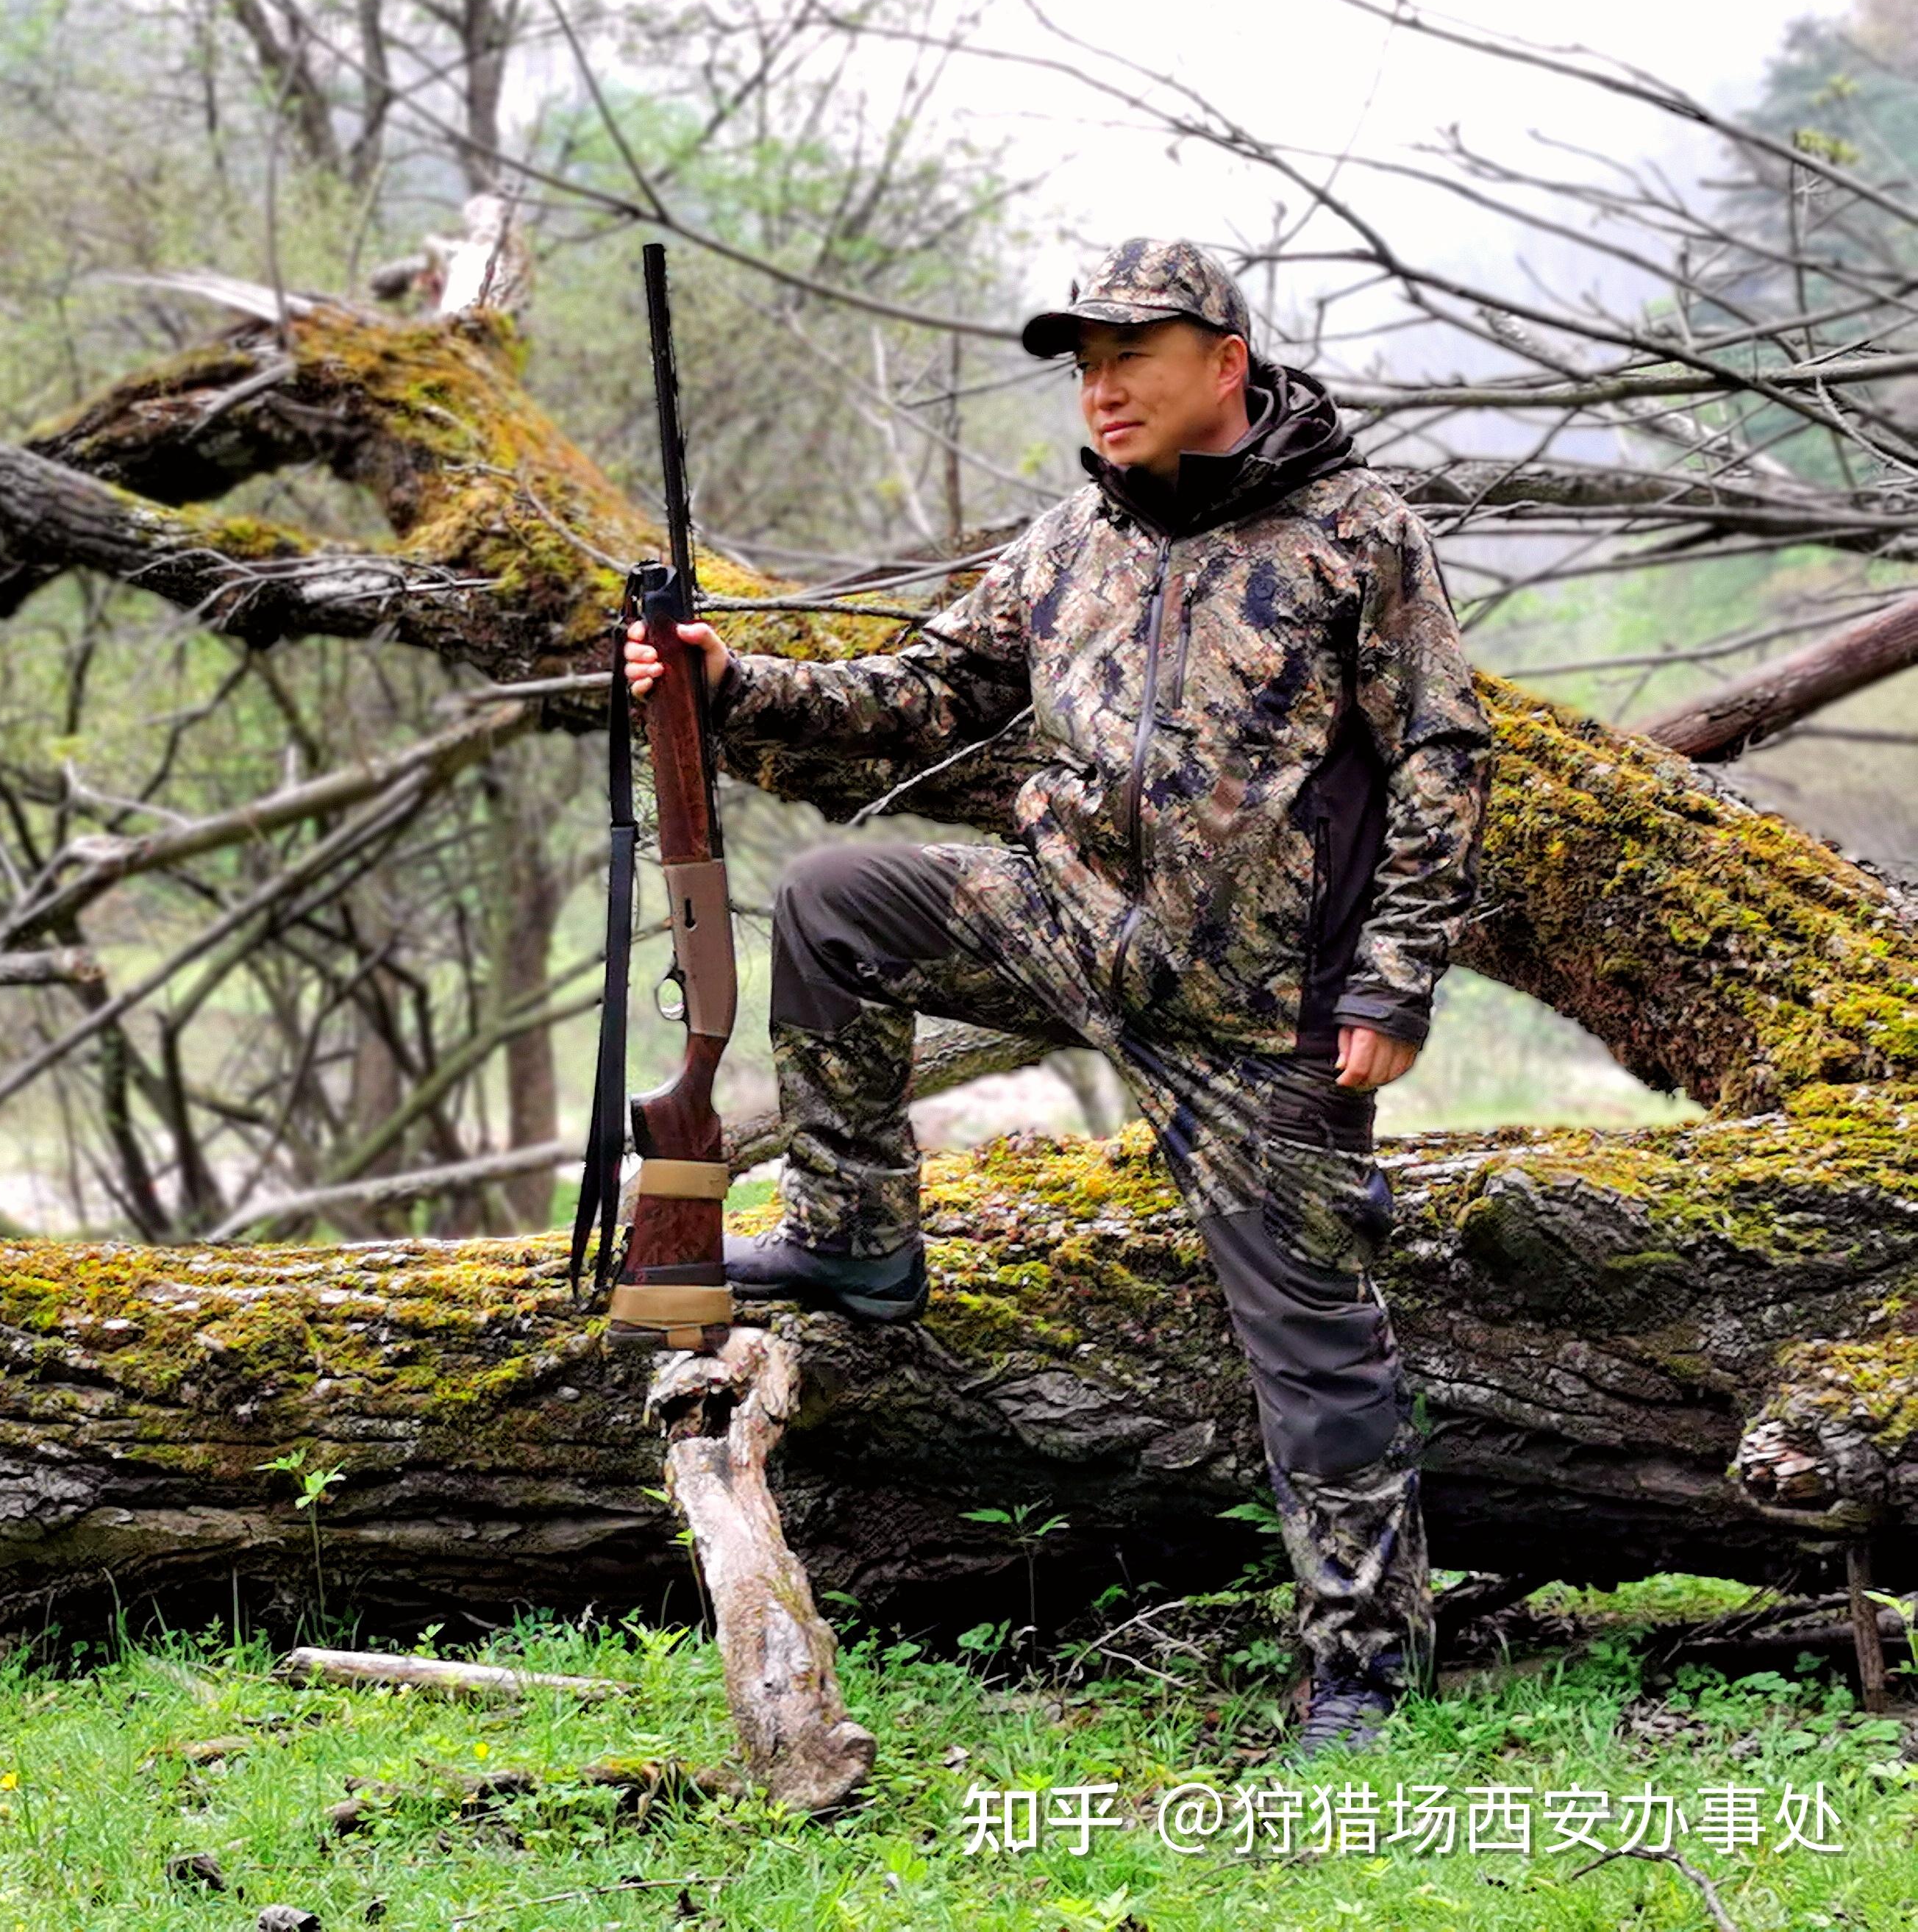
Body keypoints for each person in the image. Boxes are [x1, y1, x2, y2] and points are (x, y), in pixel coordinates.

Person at [622, 237, 1493, 1755]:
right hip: (1062, 923)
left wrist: (1397, 978)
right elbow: (923, 696)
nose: (1100, 388)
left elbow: (1442, 759)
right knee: (835, 902)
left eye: (1130, 357)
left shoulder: (1359, 534)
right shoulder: (1066, 542)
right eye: (1082, 363)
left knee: (1313, 1342)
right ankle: (858, 1237)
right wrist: (728, 682)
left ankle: (1362, 1666)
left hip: (1256, 1009)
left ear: (1223, 361)